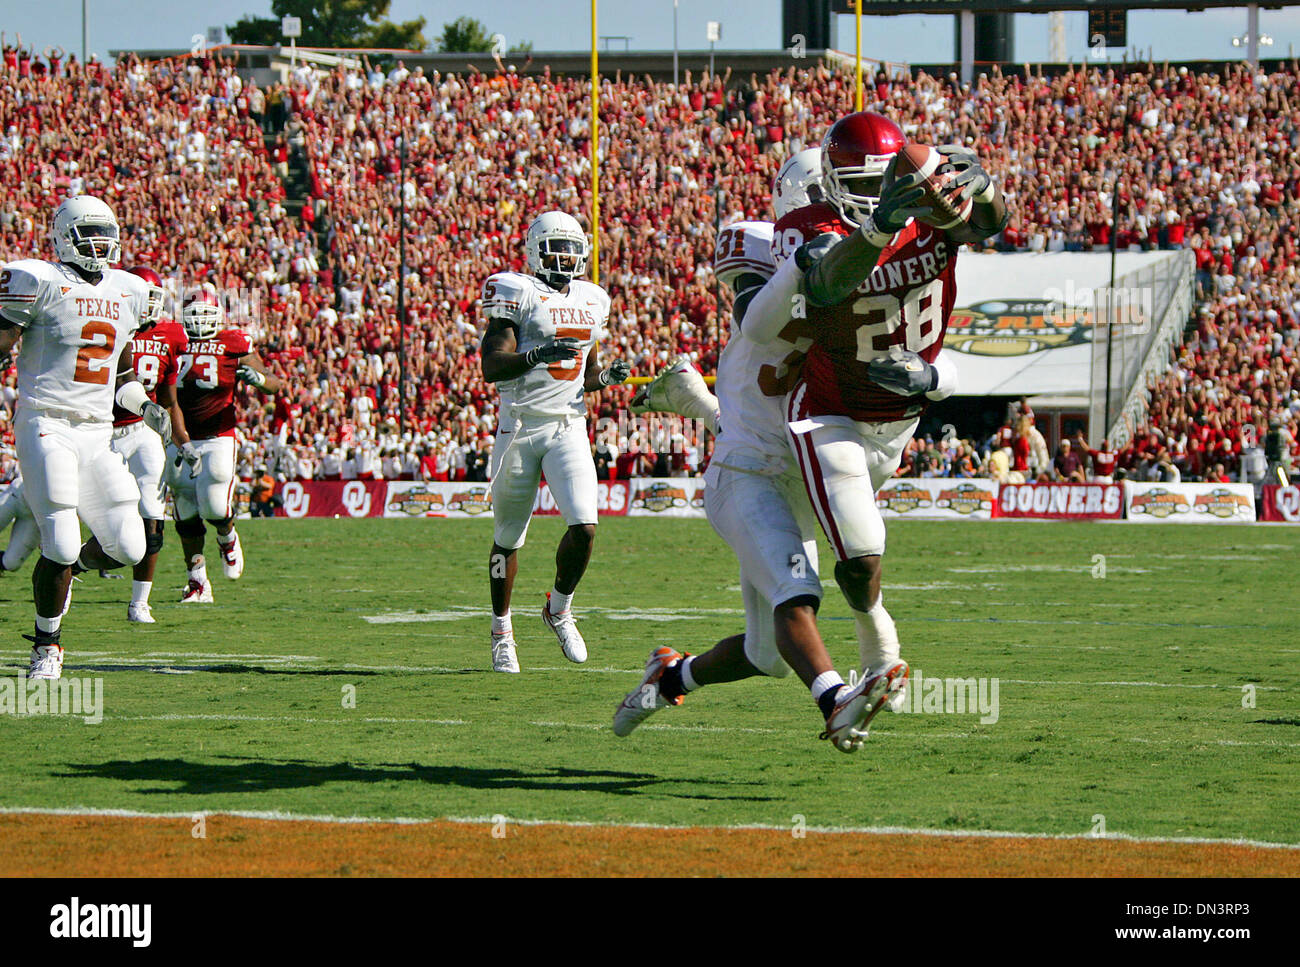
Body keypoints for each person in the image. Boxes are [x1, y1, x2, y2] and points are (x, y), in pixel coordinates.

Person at [614, 150, 907, 753]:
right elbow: (755, 313)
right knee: (798, 592)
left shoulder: (866, 260)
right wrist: (804, 263)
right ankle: (836, 700)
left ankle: (670, 675)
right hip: (749, 470)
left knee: (766, 654)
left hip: (802, 467)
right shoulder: (767, 245)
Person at [749, 112, 1006, 715]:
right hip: (829, 409)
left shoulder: (928, 207)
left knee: (858, 558)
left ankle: (867, 642)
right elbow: (827, 289)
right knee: (863, 554)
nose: (874, 198)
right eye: (861, 187)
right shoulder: (808, 225)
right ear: (831, 180)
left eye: (884, 185)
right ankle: (880, 652)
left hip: (902, 415)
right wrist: (883, 221)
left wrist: (986, 191)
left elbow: (990, 226)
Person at [0, 195, 167, 679]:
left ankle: (59, 577)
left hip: (98, 432)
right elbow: (3, 343)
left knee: (130, 545)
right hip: (46, 421)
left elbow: (121, 374)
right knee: (62, 539)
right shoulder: (40, 279)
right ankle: (47, 646)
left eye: (105, 233)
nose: (99, 243)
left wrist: (146, 407)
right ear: (62, 237)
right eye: (88, 233)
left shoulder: (131, 290)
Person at [478, 211, 631, 673]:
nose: (565, 257)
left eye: (571, 248)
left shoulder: (592, 298)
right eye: (555, 247)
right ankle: (501, 630)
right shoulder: (515, 291)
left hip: (568, 424)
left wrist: (605, 377)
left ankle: (559, 608)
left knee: (585, 526)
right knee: (508, 538)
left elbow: (584, 376)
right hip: (520, 427)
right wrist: (538, 353)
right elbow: (492, 366)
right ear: (534, 250)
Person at [170, 283, 283, 603]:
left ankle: (226, 535)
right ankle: (197, 581)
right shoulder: (174, 339)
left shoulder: (234, 341)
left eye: (204, 315)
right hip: (180, 435)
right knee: (186, 509)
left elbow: (274, 383)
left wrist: (259, 380)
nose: (199, 321)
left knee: (215, 506)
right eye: (193, 315)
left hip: (218, 434)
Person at [106, 266, 195, 623]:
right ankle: (75, 567)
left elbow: (171, 400)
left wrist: (183, 441)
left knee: (152, 517)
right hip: (100, 429)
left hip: (142, 430)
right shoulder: (108, 323)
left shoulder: (170, 335)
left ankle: (140, 602)